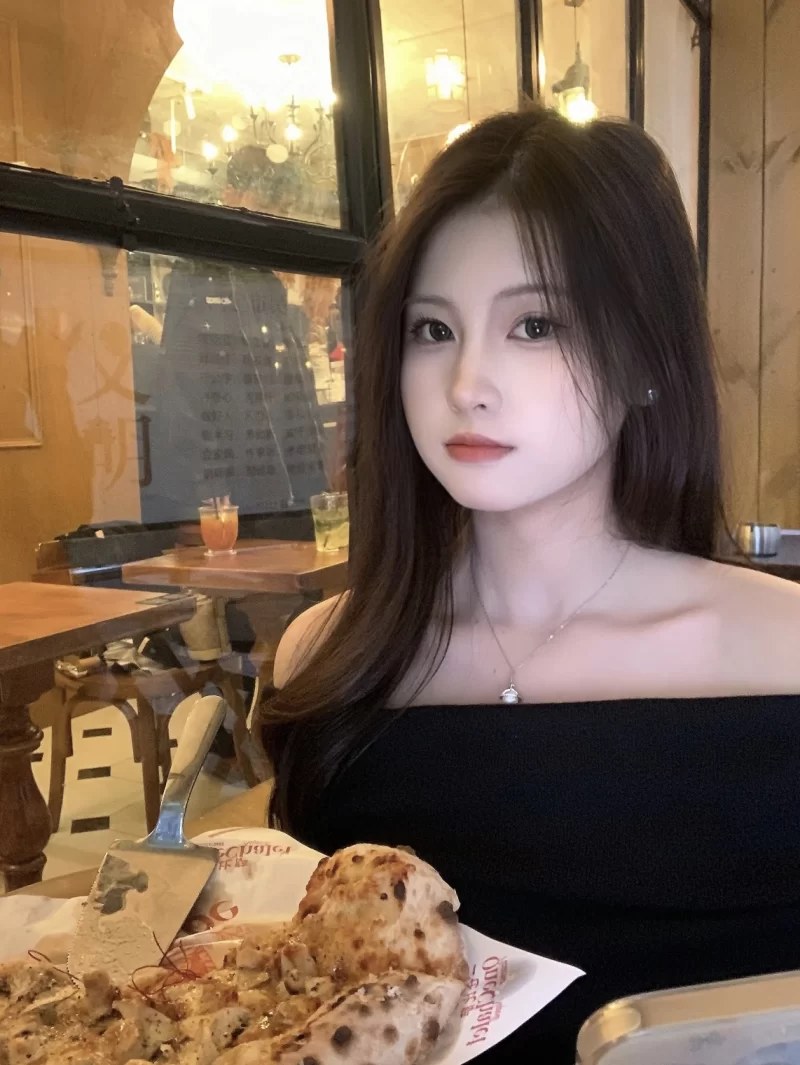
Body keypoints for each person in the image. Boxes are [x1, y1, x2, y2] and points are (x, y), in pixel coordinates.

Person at [260, 106, 800, 1063]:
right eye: (433, 328)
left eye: (536, 324)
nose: (467, 381)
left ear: (644, 359)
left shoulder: (783, 650)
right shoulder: (327, 656)